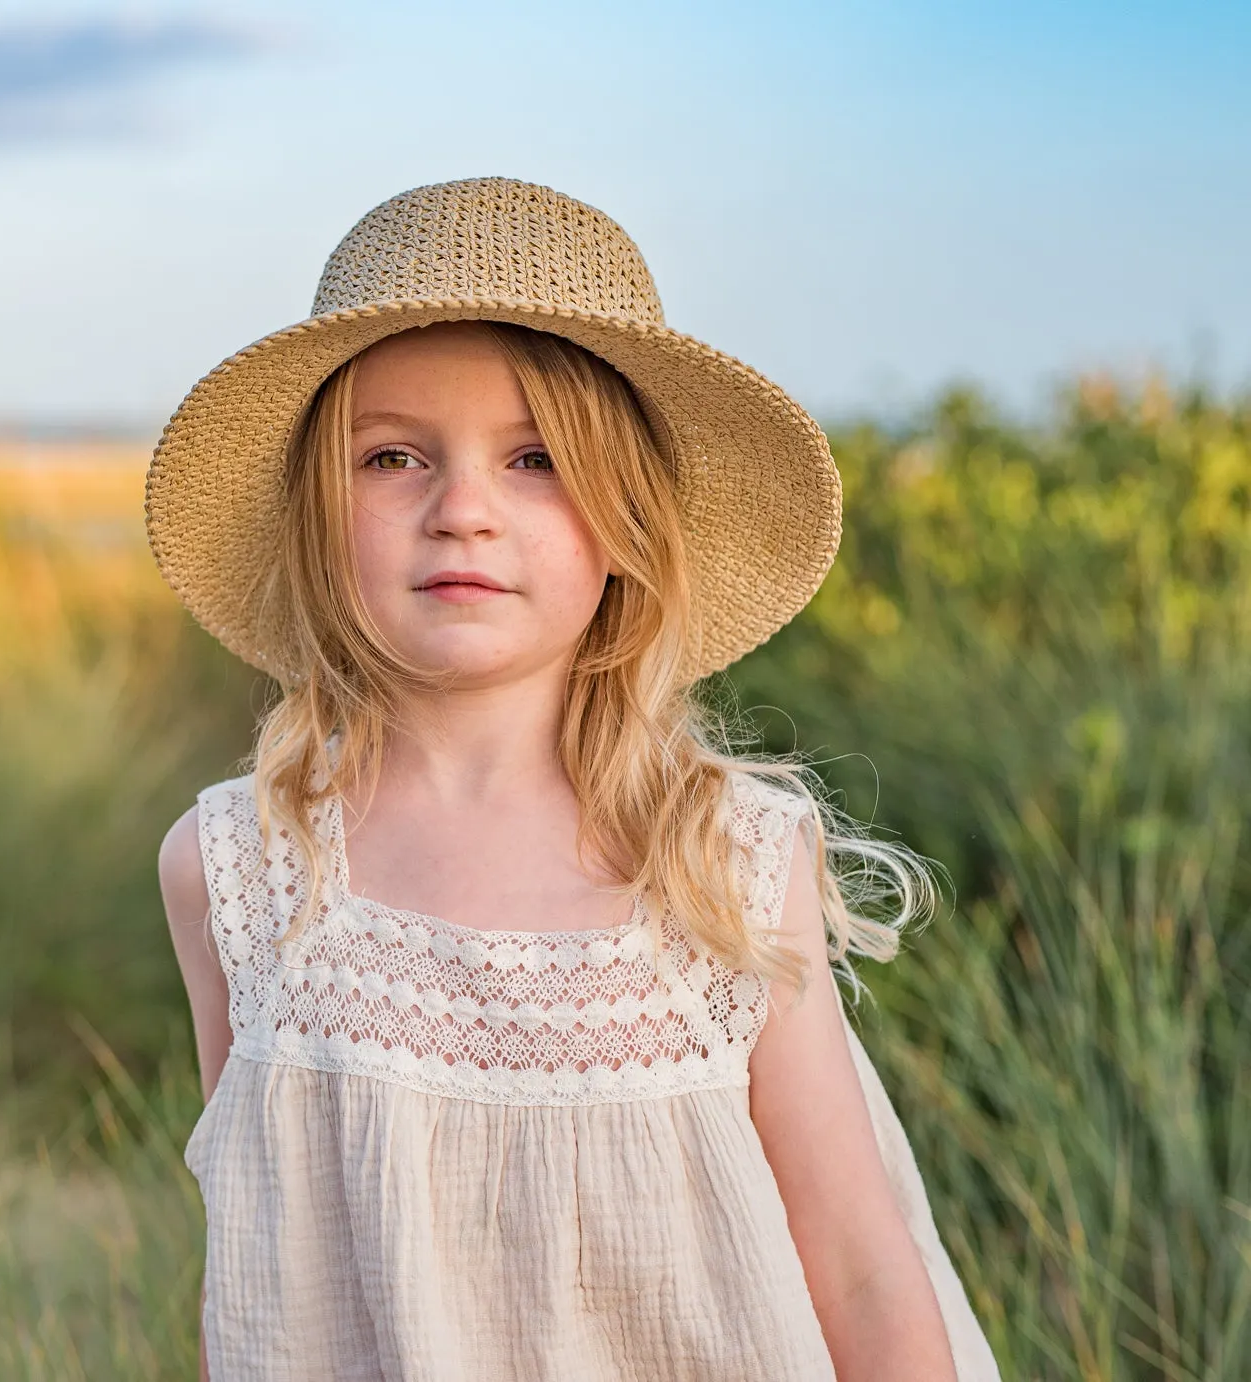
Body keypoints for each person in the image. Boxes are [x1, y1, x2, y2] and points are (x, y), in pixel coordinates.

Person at [147, 177, 999, 1381]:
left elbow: (857, 1258)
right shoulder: (237, 869)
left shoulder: (723, 859)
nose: (462, 513)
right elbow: (262, 1256)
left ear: (627, 525)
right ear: (314, 517)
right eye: (390, 457)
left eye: (536, 459)